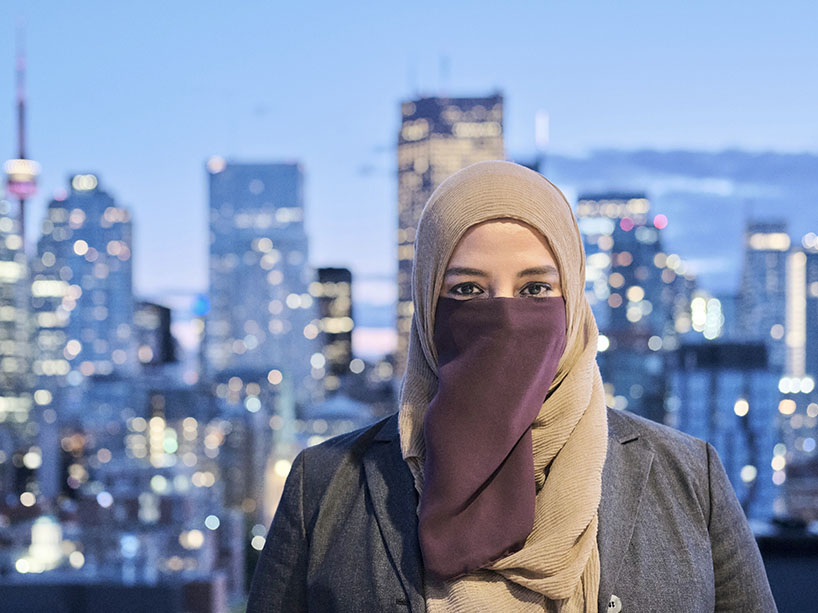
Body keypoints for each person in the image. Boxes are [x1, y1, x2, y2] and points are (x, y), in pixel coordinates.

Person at [247, 160, 777, 612]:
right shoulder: (324, 486)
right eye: (468, 289)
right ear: (428, 304)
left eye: (535, 288)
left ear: (572, 300)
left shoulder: (688, 477)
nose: (505, 315)